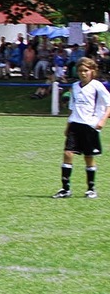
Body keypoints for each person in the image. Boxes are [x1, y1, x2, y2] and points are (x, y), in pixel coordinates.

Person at [53, 57, 110, 199]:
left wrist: (103, 120)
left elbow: (109, 104)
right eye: (80, 71)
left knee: (88, 157)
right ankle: (65, 189)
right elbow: (73, 108)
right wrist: (68, 125)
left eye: (86, 70)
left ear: (92, 71)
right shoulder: (75, 86)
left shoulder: (97, 86)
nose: (83, 73)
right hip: (75, 125)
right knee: (67, 153)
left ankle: (91, 189)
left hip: (89, 126)